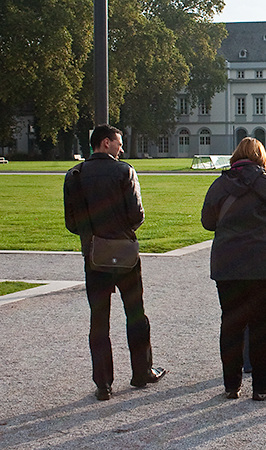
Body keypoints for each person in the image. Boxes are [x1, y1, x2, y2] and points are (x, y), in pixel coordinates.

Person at [64, 124, 166, 401]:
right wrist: (121, 230)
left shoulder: (75, 175)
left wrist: (94, 234)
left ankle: (103, 383)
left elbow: (71, 222)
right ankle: (142, 370)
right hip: (124, 253)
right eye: (119, 143)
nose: (122, 148)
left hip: (95, 253)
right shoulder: (124, 172)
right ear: (106, 143)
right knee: (135, 313)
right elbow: (137, 214)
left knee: (99, 321)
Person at [201, 137, 266, 401]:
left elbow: (207, 222)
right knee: (262, 324)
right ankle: (262, 385)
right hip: (265, 263)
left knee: (230, 322)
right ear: (260, 157)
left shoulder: (219, 184)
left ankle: (231, 385)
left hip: (228, 262)